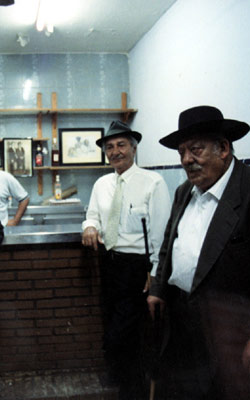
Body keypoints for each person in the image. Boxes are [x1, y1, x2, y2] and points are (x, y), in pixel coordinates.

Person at [147, 105, 250, 400]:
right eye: (182, 152)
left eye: (196, 150)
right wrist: (159, 288)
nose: (186, 160)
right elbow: (169, 244)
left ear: (223, 148)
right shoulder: (184, 192)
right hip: (183, 328)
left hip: (237, 338)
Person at [82, 120, 171, 399]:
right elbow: (92, 214)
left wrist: (155, 274)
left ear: (134, 148)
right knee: (112, 322)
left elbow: (161, 234)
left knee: (127, 332)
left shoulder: (153, 183)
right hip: (109, 263)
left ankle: (133, 389)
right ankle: (124, 382)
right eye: (109, 147)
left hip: (138, 267)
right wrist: (89, 226)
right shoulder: (102, 184)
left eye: (121, 145)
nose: (115, 151)